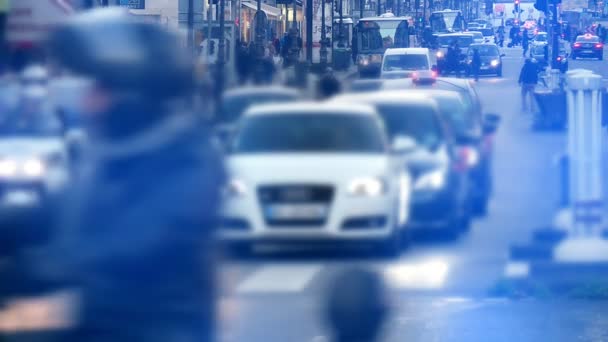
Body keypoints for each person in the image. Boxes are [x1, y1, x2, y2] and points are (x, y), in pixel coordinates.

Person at [45, 8, 225, 342]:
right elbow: (61, 207)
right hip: (98, 324)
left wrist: (52, 260)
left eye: (102, 89)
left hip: (159, 329)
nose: (88, 101)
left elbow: (140, 238)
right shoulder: (110, 154)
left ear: (134, 95)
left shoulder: (189, 160)